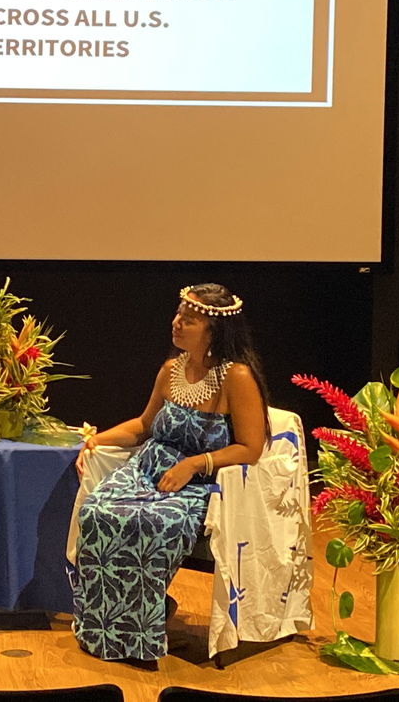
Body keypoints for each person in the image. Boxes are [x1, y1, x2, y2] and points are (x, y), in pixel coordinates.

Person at [70, 283, 270, 667]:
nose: (176, 323)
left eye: (189, 319)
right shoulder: (170, 370)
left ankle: (140, 631)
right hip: (146, 471)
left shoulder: (236, 377)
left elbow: (250, 447)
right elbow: (145, 425)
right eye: (179, 314)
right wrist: (95, 440)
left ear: (214, 330)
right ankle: (107, 629)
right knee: (96, 512)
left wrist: (194, 464)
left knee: (149, 522)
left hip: (197, 484)